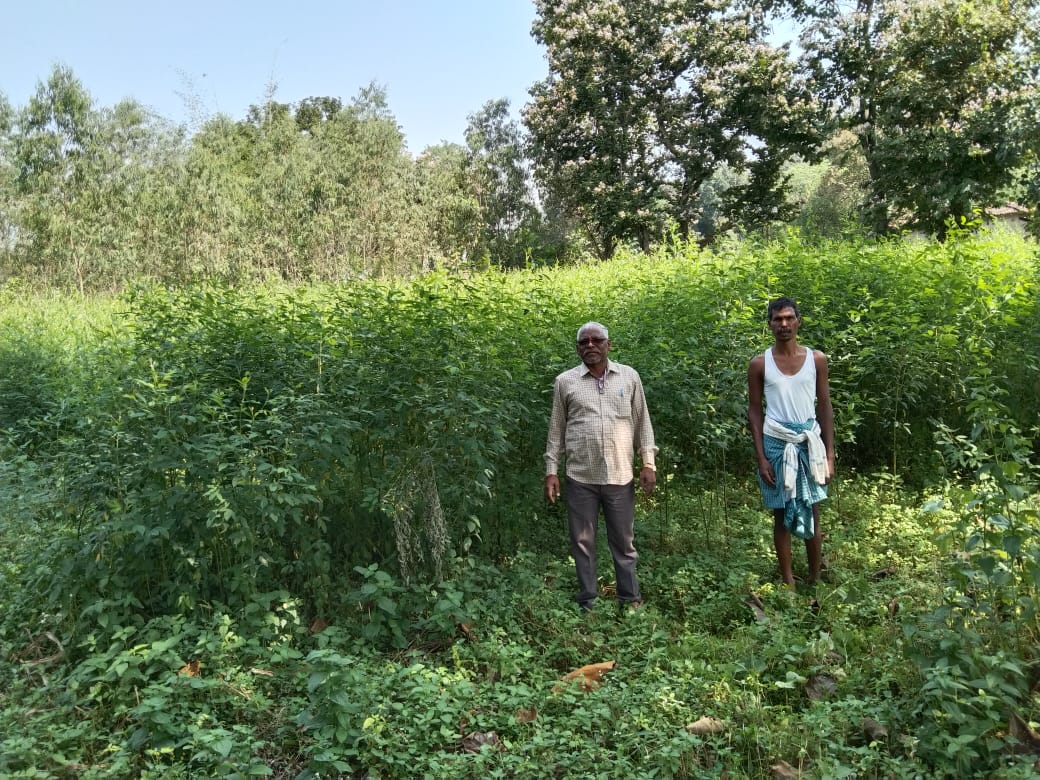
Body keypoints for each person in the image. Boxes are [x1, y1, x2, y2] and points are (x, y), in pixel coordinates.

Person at [544, 321, 658, 610]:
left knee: (624, 542)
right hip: (580, 476)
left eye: (597, 340)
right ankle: (588, 602)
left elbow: (642, 423)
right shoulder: (565, 382)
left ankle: (630, 599)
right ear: (578, 348)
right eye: (584, 342)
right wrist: (551, 471)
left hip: (619, 475)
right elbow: (556, 430)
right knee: (583, 542)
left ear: (609, 345)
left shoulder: (629, 377)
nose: (590, 346)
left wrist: (648, 462)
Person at [747, 298, 835, 587]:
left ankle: (814, 577)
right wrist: (761, 457)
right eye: (777, 319)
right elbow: (755, 411)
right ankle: (788, 581)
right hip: (776, 444)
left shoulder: (816, 359)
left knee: (813, 509)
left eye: (788, 318)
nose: (783, 324)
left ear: (798, 321)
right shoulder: (760, 364)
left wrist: (830, 454)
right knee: (781, 512)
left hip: (809, 444)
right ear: (770, 324)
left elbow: (824, 406)